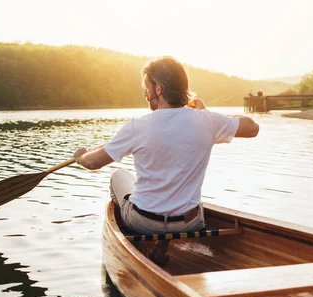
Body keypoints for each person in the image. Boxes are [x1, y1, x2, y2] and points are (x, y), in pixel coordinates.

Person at [73, 56, 259, 264]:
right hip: (190, 223)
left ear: (159, 89)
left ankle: (140, 249)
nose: (145, 92)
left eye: (146, 87)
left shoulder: (137, 126)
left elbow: (92, 163)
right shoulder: (207, 121)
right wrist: (206, 113)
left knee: (119, 176)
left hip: (144, 224)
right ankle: (161, 248)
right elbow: (253, 128)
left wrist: (80, 156)